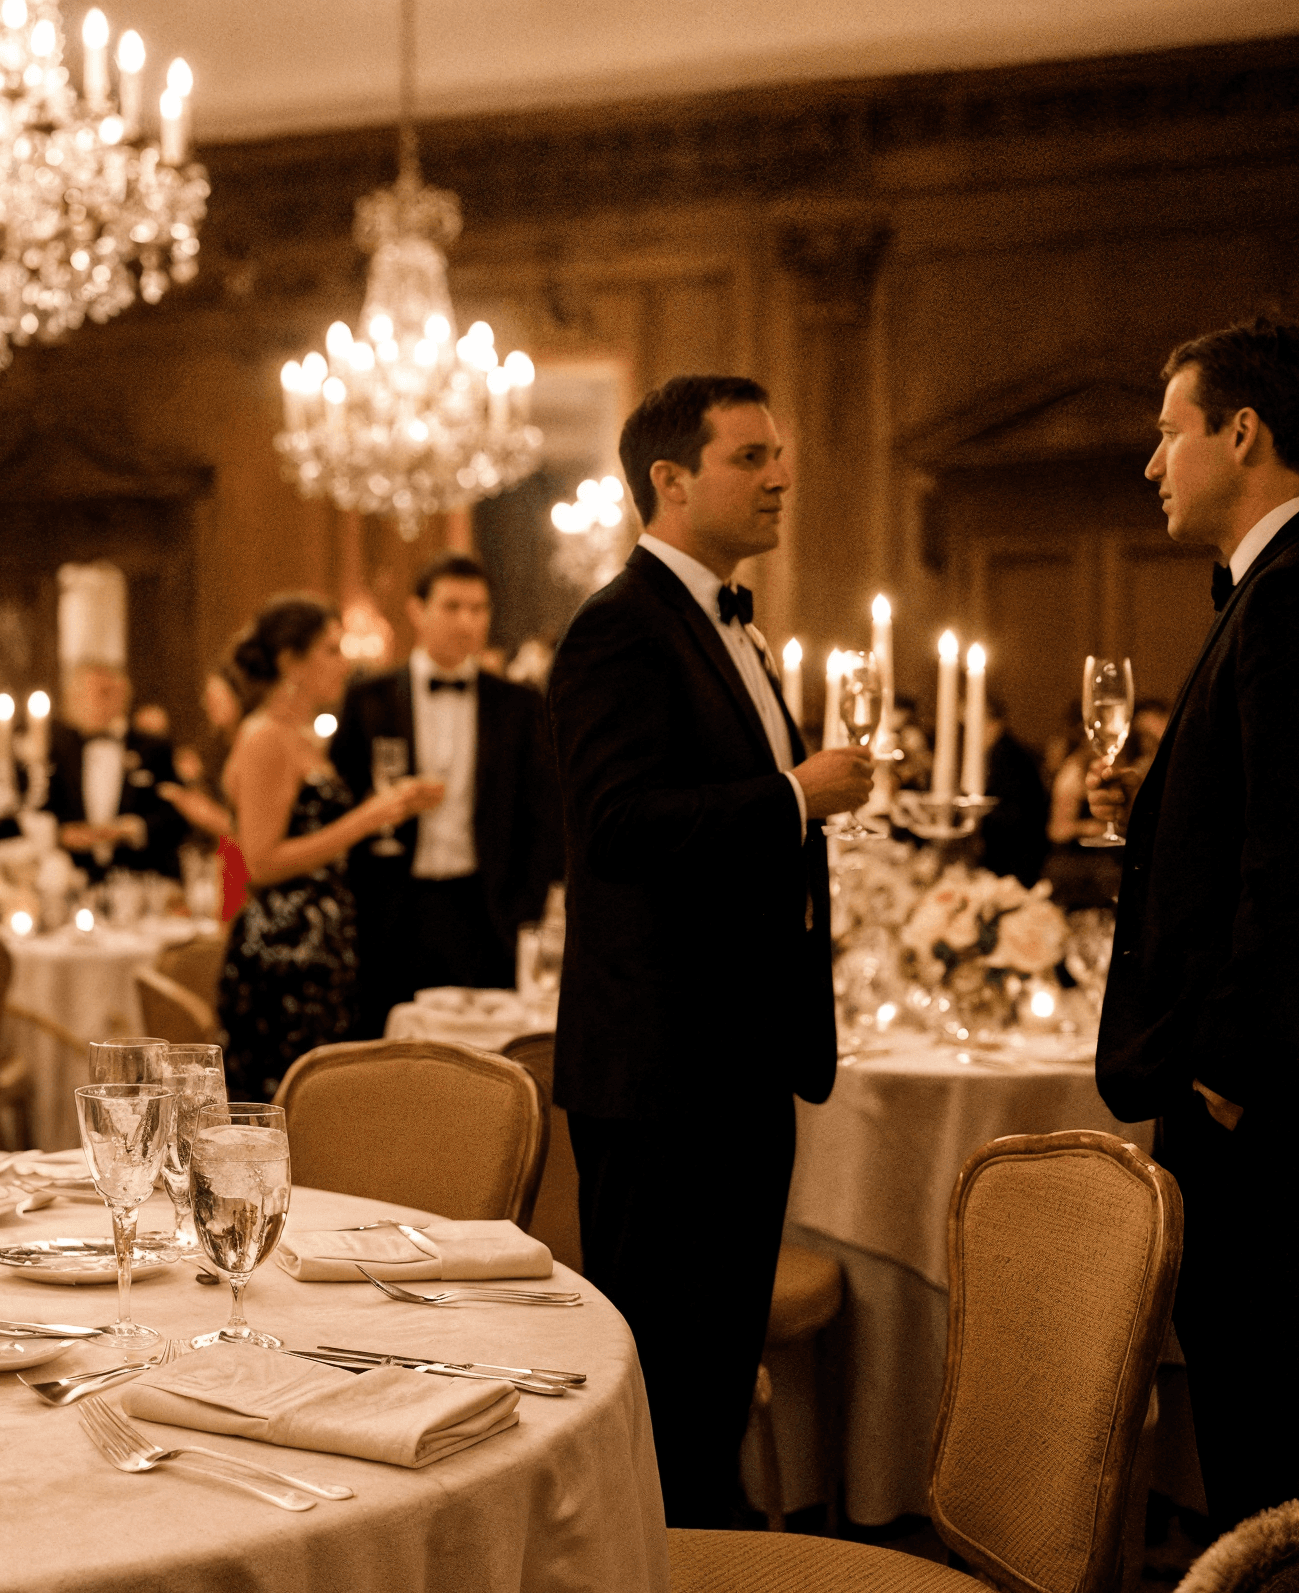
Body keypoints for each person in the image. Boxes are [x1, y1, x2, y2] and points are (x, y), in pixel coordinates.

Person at [545, 375, 874, 1528]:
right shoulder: (615, 628)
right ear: (668, 482)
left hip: (734, 1052)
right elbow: (616, 827)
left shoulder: (728, 622)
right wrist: (795, 791)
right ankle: (665, 1590)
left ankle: (711, 1566)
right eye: (749, 456)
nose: (781, 473)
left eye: (778, 452)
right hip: (659, 1066)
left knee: (715, 1359)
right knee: (664, 1361)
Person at [1089, 316, 1299, 1537]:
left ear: (1241, 431)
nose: (1152, 463)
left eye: (1169, 432)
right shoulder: (1261, 594)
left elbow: (1290, 862)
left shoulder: (1285, 599)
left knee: (1260, 1415)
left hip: (1258, 1105)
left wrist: (1224, 1067)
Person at [216, 595, 441, 1100]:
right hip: (284, 956)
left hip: (319, 950)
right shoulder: (265, 738)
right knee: (286, 1111)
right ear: (290, 662)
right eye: (331, 650)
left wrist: (394, 807)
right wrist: (370, 816)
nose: (346, 662)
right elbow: (260, 862)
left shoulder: (301, 738)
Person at [334, 556, 565, 1033]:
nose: (468, 621)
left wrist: (523, 906)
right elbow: (341, 803)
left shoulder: (517, 704)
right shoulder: (369, 699)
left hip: (486, 909)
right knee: (388, 1055)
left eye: (479, 609)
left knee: (485, 1061)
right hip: (394, 909)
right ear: (417, 610)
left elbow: (543, 816)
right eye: (453, 606)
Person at [42, 661, 188, 880]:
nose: (94, 702)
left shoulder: (154, 749)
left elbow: (178, 816)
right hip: (77, 879)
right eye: (85, 694)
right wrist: (61, 835)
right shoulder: (59, 752)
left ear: (123, 697)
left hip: (143, 877)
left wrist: (133, 829)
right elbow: (44, 809)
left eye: (104, 693)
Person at [975, 696, 1052, 887]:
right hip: (1016, 852)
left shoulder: (1007, 756)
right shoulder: (1004, 751)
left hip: (1015, 855)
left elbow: (1017, 812)